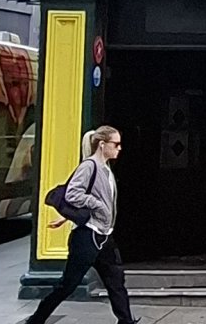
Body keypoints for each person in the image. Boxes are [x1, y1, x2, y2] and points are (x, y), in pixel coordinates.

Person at [26, 126, 138, 324]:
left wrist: (73, 216)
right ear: (102, 145)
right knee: (68, 285)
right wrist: (97, 205)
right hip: (87, 237)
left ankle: (126, 321)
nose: (119, 148)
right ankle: (37, 319)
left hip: (104, 236)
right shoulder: (89, 166)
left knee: (116, 282)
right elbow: (72, 194)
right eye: (116, 144)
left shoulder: (106, 168)